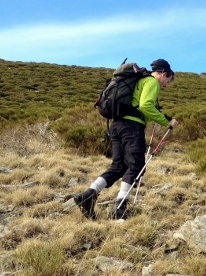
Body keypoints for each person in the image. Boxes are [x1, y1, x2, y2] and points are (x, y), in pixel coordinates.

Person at [74, 58, 178, 220]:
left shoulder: (139, 81)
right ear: (164, 73)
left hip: (117, 125)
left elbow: (140, 105)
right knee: (136, 165)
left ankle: (88, 195)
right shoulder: (151, 82)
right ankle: (120, 207)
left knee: (119, 166)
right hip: (131, 127)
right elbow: (145, 106)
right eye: (168, 80)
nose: (166, 85)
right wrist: (167, 121)